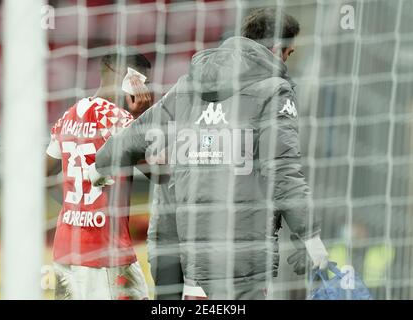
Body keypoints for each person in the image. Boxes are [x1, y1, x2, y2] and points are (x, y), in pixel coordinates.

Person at [91, 8, 329, 299]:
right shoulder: (274, 91)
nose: (286, 62)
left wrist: (101, 163)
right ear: (277, 48)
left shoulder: (188, 85)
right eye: (288, 53)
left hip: (183, 257)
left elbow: (138, 133)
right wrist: (310, 235)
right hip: (239, 262)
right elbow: (282, 170)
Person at [46, 49, 153, 300]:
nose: (142, 88)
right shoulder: (119, 119)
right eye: (141, 80)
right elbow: (161, 172)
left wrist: (78, 210)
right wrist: (142, 118)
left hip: (66, 247)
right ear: (123, 74)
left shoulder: (67, 116)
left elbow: (43, 177)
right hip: (105, 253)